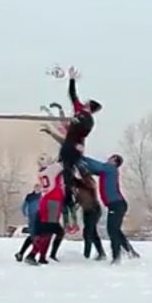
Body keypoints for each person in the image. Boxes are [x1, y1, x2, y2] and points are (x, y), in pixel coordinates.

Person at [59, 68, 102, 208]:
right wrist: (71, 79)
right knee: (66, 169)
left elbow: (85, 130)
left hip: (74, 145)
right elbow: (72, 95)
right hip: (68, 143)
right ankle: (68, 195)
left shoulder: (88, 119)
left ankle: (79, 193)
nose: (84, 102)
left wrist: (79, 140)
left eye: (87, 102)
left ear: (90, 106)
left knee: (72, 169)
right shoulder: (79, 110)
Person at [84, 154, 130, 262]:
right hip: (116, 204)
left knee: (112, 231)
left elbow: (95, 165)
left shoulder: (110, 169)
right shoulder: (106, 171)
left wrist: (81, 156)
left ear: (115, 161)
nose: (108, 159)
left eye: (111, 158)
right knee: (116, 230)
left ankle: (116, 257)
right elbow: (93, 169)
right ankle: (130, 252)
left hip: (116, 204)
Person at [26, 154, 66, 266]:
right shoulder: (52, 169)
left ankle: (42, 257)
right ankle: (33, 255)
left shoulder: (42, 172)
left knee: (49, 231)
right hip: (53, 203)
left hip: (46, 202)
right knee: (48, 233)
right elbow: (65, 163)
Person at [15, 184, 41, 262]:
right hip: (32, 218)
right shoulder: (30, 196)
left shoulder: (42, 196)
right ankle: (30, 255)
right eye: (36, 187)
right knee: (35, 236)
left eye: (39, 187)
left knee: (34, 236)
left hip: (40, 218)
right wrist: (26, 215)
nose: (37, 189)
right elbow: (24, 206)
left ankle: (22, 253)